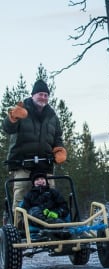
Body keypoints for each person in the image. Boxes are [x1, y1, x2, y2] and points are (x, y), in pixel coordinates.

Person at [2, 79, 67, 213]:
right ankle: (18, 227)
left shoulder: (52, 116)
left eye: (46, 95)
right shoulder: (22, 110)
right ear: (33, 95)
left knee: (51, 193)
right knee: (21, 194)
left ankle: (54, 225)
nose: (43, 97)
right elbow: (8, 128)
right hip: (22, 163)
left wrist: (59, 150)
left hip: (45, 162)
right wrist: (13, 117)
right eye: (40, 94)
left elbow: (57, 137)